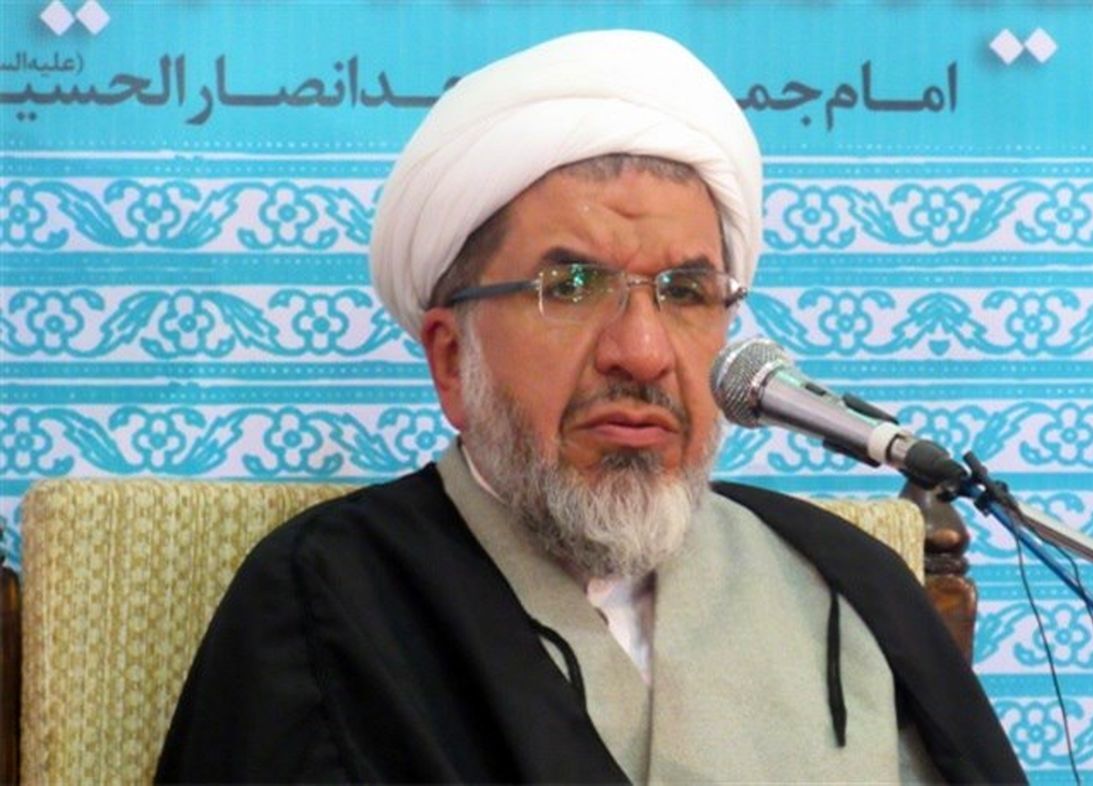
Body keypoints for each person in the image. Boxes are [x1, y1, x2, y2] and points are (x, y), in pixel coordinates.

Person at [156, 30, 1024, 784]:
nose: (641, 352)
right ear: (452, 359)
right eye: (570, 286)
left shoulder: (843, 579)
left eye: (686, 292)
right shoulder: (333, 598)